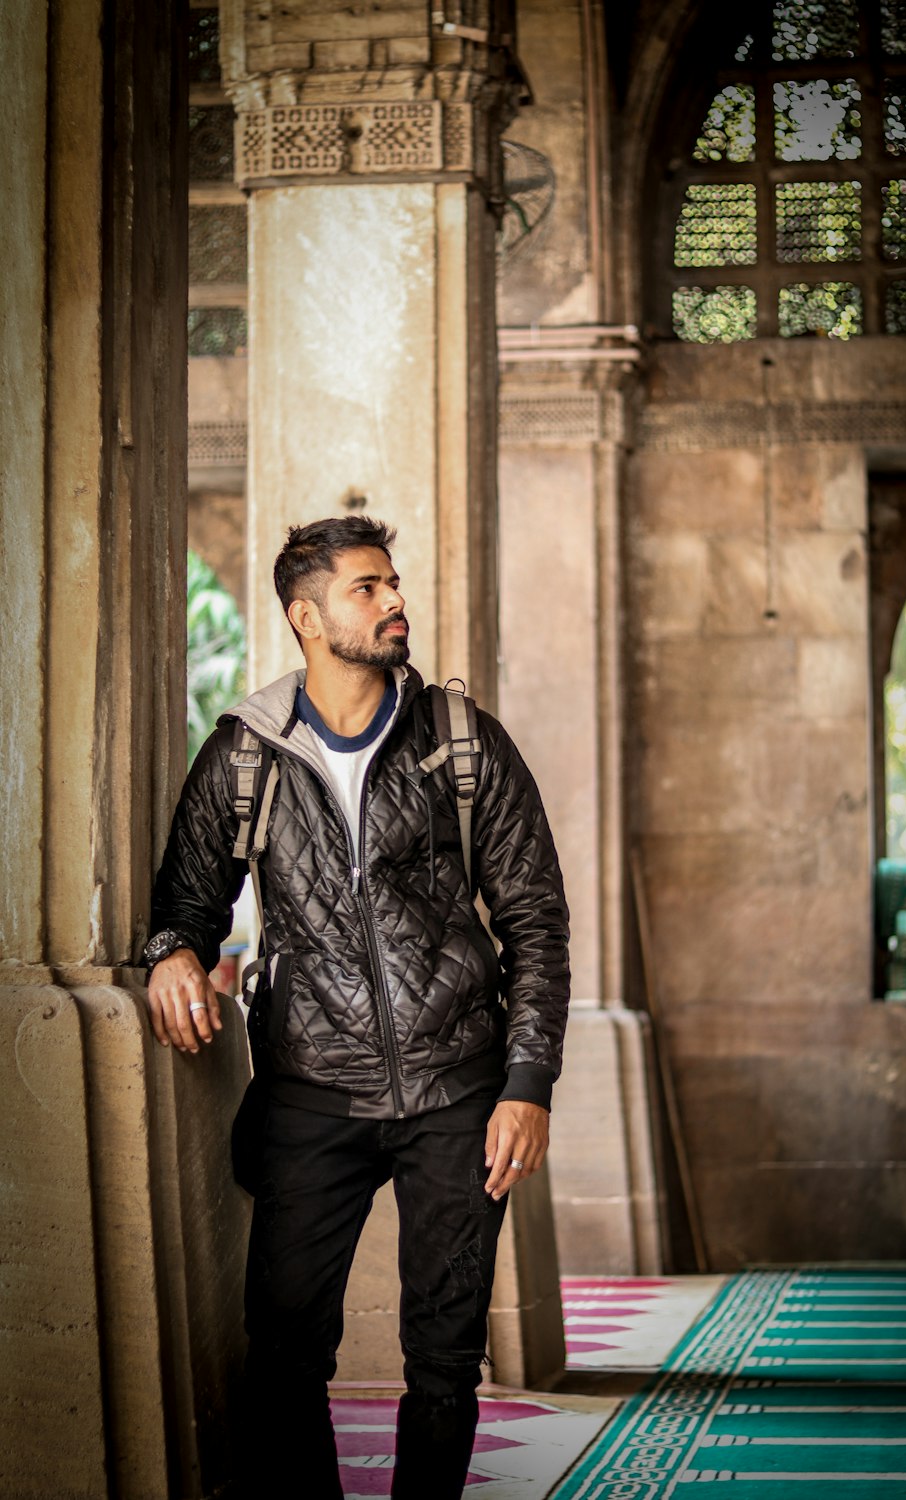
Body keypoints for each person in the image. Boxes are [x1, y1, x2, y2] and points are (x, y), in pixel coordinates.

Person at [143, 516, 571, 1499]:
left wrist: (527, 1080)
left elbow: (535, 920)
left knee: (443, 1363)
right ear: (306, 617)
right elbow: (186, 901)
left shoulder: (462, 742)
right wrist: (172, 953)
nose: (393, 604)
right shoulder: (243, 754)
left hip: (459, 1084)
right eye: (366, 589)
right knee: (284, 1356)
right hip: (309, 1091)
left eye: (392, 585)